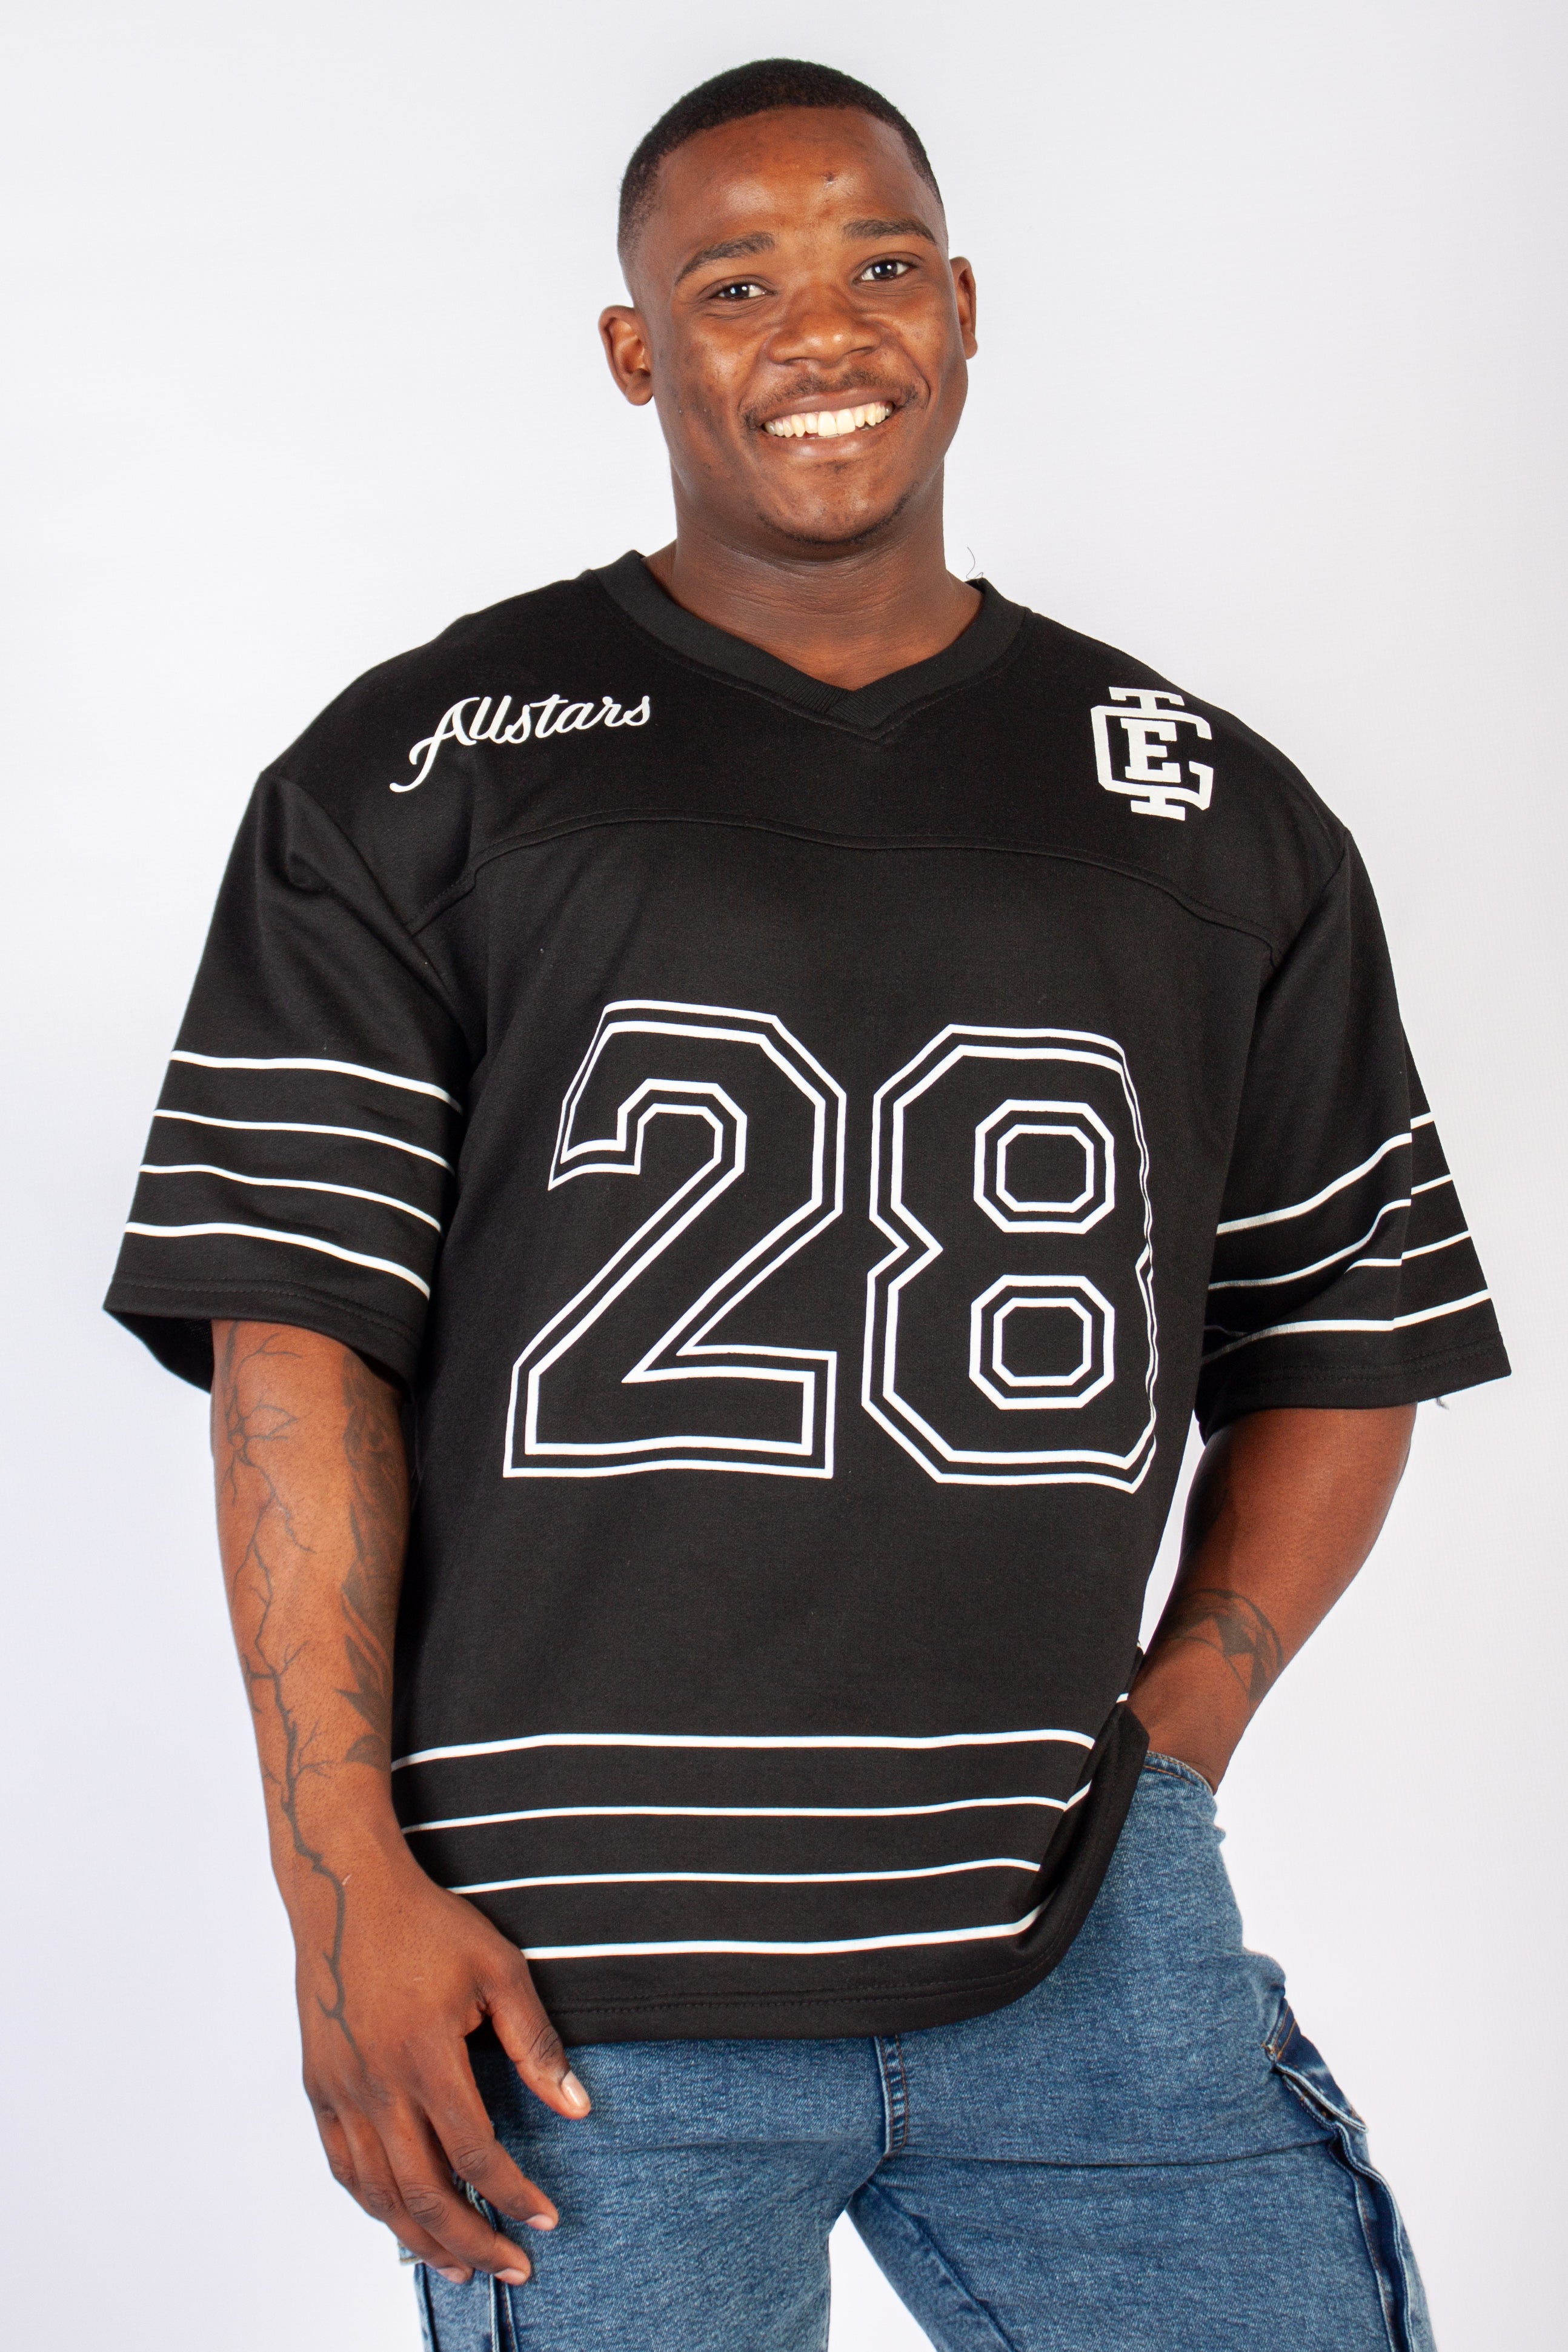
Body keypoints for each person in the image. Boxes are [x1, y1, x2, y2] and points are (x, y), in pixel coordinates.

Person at [106, 57, 1507, 2352]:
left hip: (1083, 1935)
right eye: (734, 282)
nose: (823, 330)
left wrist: (1173, 1743)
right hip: (574, 1976)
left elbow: (1343, 1331)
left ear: (962, 305)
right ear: (633, 347)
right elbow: (296, 1347)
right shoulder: (420, 768)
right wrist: (337, 1871)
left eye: (879, 264)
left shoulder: (1205, 806)